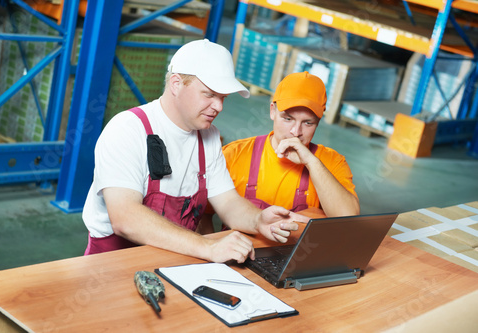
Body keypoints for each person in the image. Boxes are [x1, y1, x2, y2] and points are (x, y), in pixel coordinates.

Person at [82, 39, 309, 262]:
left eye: (222, 98)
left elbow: (228, 202)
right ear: (176, 84)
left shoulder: (208, 137)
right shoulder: (128, 129)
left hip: (175, 259)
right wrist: (207, 246)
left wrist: (258, 220)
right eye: (209, 95)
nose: (219, 107)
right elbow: (125, 218)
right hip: (112, 265)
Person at [200, 71, 359, 232]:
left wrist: (311, 163)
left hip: (300, 255)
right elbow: (202, 214)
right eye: (288, 119)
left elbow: (347, 220)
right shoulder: (234, 155)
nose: (296, 132)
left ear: (318, 122)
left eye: (308, 123)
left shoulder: (331, 161)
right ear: (272, 111)